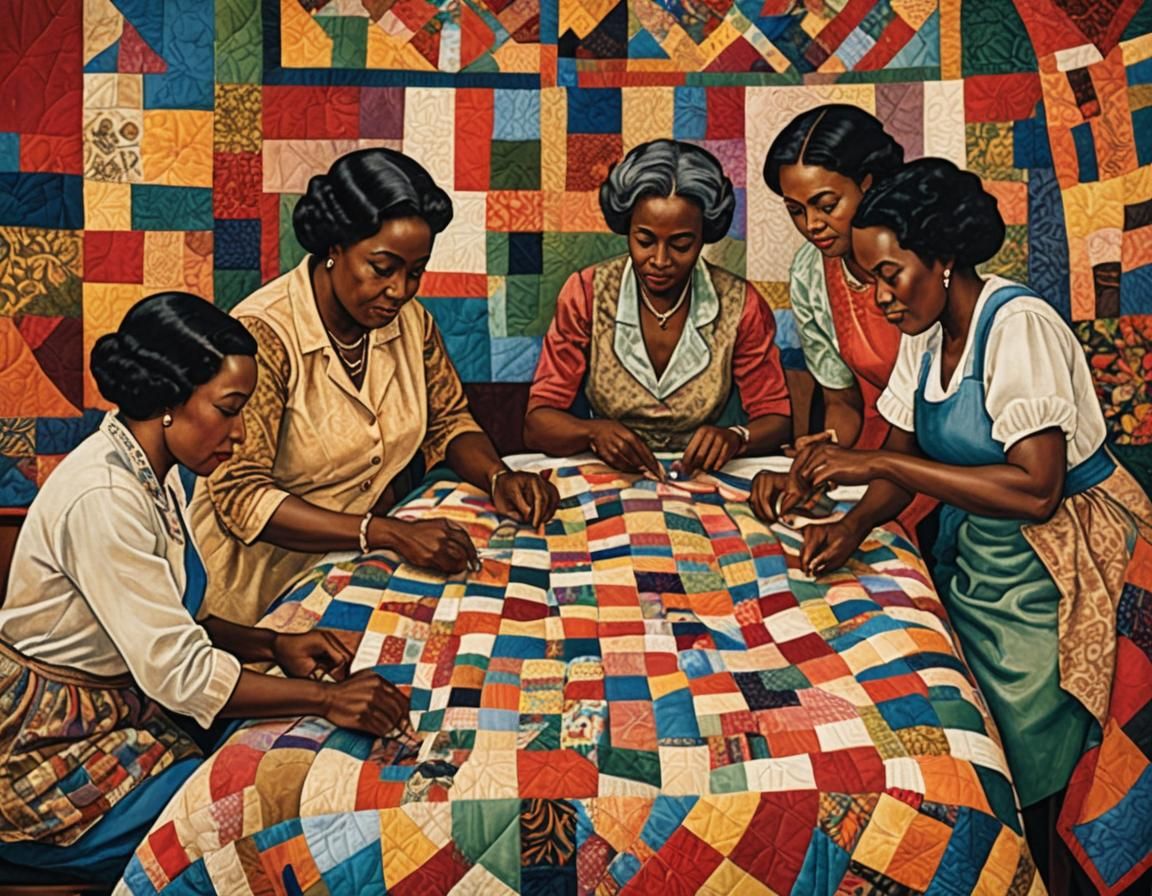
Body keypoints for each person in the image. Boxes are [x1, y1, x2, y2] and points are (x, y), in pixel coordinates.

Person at [761, 158, 1152, 886]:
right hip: (983, 549)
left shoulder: (1018, 327)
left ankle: (1039, 869)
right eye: (870, 278)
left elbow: (1038, 490)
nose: (879, 297)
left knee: (1019, 738)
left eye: (890, 275)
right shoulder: (924, 327)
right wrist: (850, 530)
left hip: (1066, 560)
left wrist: (879, 469)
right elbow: (903, 449)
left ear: (942, 261)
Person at [0, 294, 407, 884]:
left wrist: (272, 646)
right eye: (229, 409)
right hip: (49, 756)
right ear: (169, 400)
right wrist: (324, 699)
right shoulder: (105, 498)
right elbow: (181, 672)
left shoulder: (153, 472)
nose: (241, 434)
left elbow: (171, 616)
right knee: (248, 831)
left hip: (118, 715)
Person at [191, 149, 558, 626]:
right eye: (383, 268)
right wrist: (384, 532)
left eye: (415, 272)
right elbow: (242, 497)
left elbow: (448, 423)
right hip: (252, 596)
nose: (400, 290)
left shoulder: (411, 325)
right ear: (333, 249)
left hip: (354, 566)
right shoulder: (262, 337)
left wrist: (497, 476)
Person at [523, 139, 791, 479]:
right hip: (606, 474)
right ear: (627, 229)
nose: (660, 261)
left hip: (700, 476)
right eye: (645, 241)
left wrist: (736, 437)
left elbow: (776, 419)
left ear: (703, 235)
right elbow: (537, 423)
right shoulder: (586, 293)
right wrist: (593, 433)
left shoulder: (740, 303)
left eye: (681, 244)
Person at [759, 103, 933, 537]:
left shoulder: (923, 256)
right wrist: (824, 452)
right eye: (796, 211)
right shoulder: (811, 272)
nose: (812, 225)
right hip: (875, 449)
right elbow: (843, 402)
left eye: (825, 205)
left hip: (945, 457)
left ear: (868, 184)